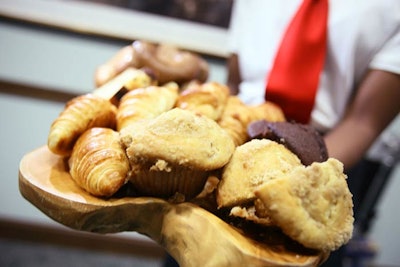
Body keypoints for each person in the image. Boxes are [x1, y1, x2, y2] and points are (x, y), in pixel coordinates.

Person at [227, 0, 399, 266]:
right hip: (240, 144)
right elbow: (235, 84)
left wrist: (286, 182)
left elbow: (364, 122)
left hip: (325, 157)